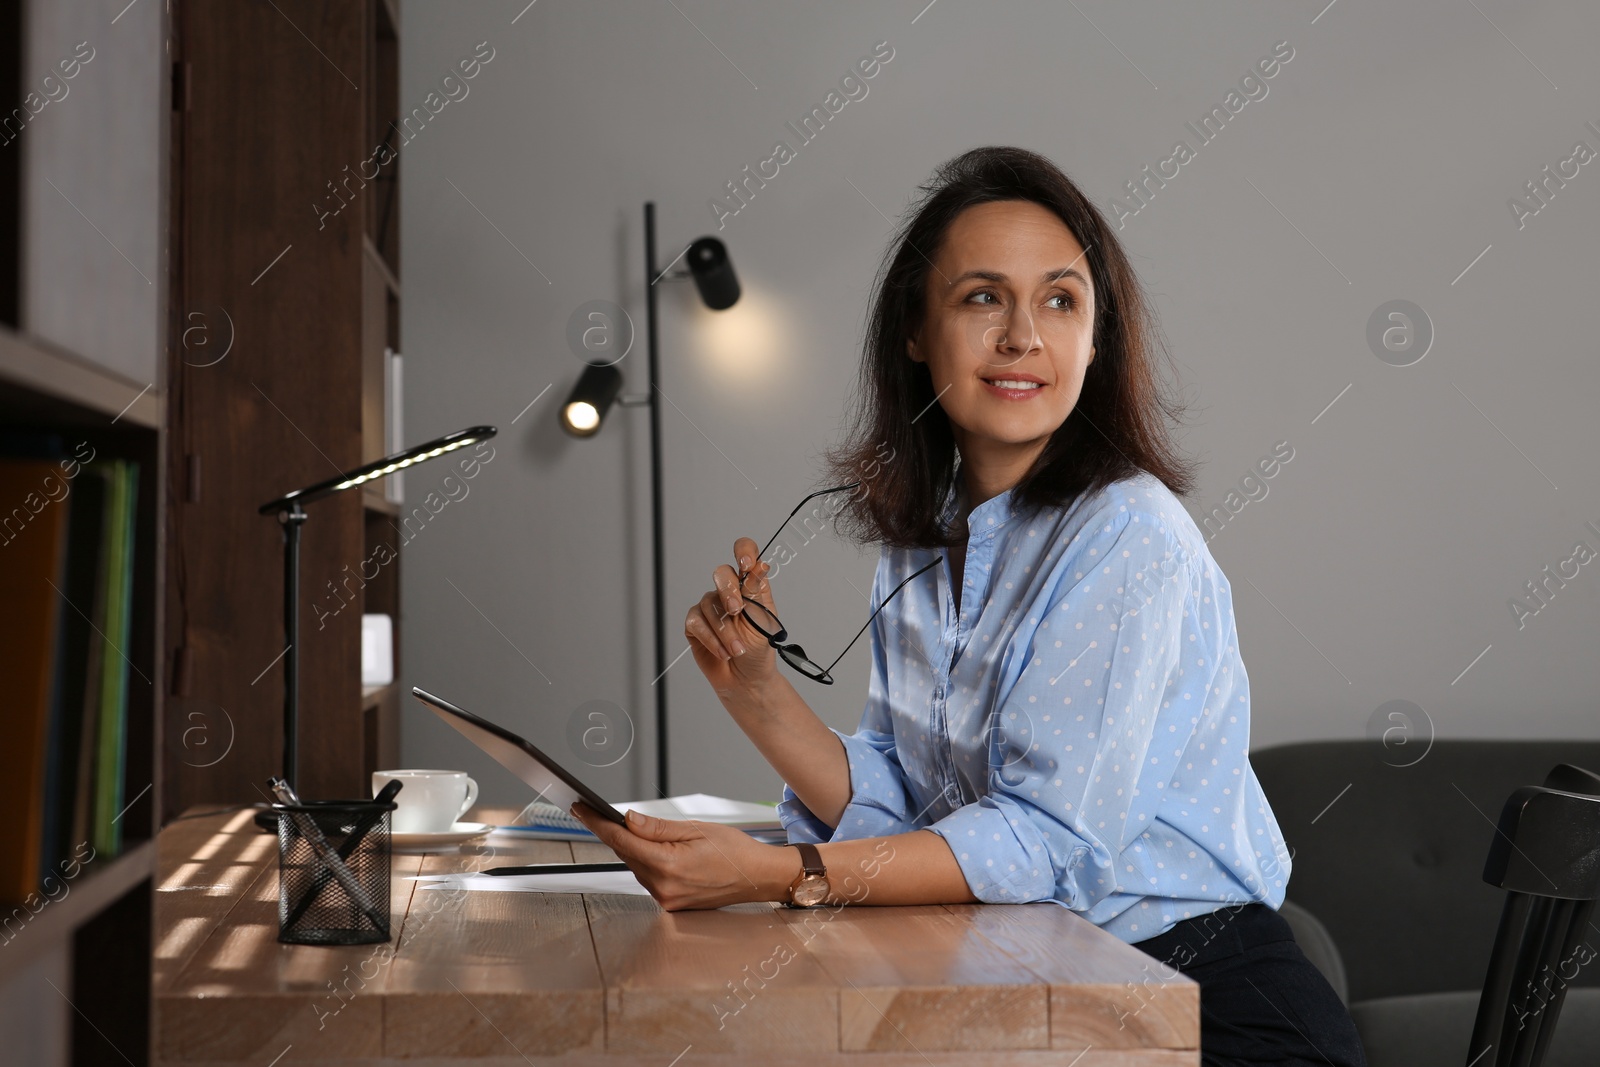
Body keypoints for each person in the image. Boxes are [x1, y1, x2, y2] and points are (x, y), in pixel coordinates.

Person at [572, 145, 1366, 1066]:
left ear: (1097, 337)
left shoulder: (1129, 534)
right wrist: (757, 692)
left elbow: (1038, 846)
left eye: (1061, 300)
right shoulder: (927, 538)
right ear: (916, 329)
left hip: (1202, 1008)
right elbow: (915, 817)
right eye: (983, 296)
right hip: (1029, 981)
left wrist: (786, 875)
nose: (1024, 334)